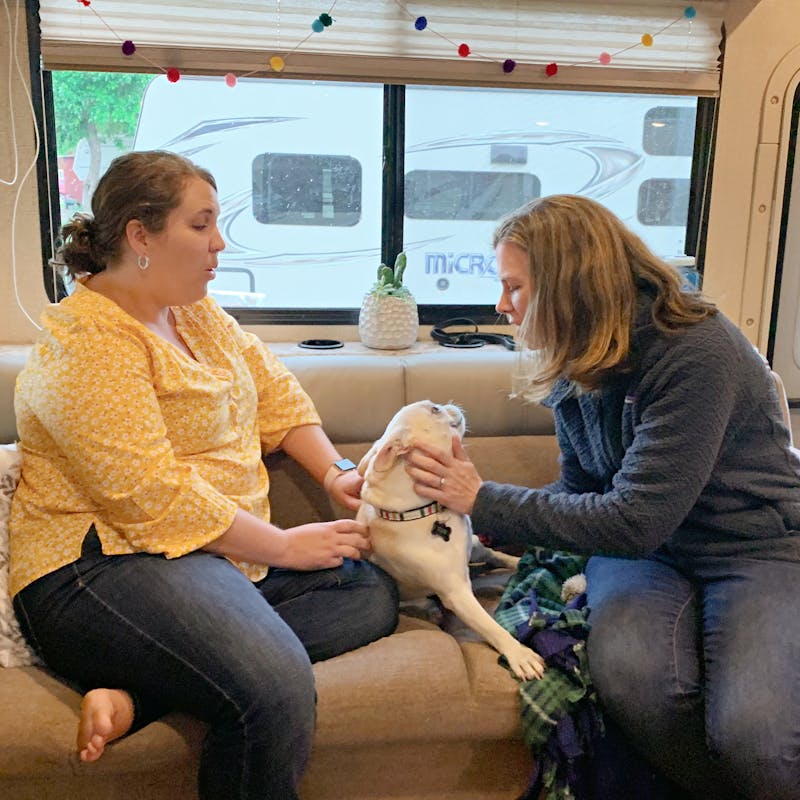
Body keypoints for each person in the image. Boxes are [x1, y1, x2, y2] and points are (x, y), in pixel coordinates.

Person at [8, 150, 398, 799]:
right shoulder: (84, 345)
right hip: (98, 567)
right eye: (202, 225)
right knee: (273, 686)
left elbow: (274, 394)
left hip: (212, 558)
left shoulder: (196, 314)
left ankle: (142, 693)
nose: (220, 242)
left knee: (369, 591)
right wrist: (282, 546)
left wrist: (335, 475)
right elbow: (148, 499)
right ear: (140, 235)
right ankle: (201, 670)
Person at [407, 194, 800, 800]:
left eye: (514, 288)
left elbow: (634, 519)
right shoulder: (578, 355)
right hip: (649, 556)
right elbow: (583, 491)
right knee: (633, 678)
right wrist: (475, 517)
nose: (501, 306)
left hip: (754, 548)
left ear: (567, 287)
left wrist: (484, 498)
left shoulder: (696, 351)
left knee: (755, 737)